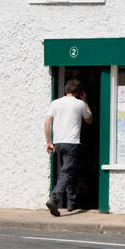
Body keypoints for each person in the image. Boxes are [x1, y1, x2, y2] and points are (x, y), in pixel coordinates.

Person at [45, 79, 92, 215]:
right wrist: (86, 101)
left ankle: (71, 202)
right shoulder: (80, 104)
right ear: (78, 92)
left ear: (66, 90)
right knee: (67, 172)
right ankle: (54, 199)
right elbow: (89, 119)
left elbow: (47, 123)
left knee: (67, 172)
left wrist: (49, 142)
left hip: (58, 142)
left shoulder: (55, 103)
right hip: (72, 143)